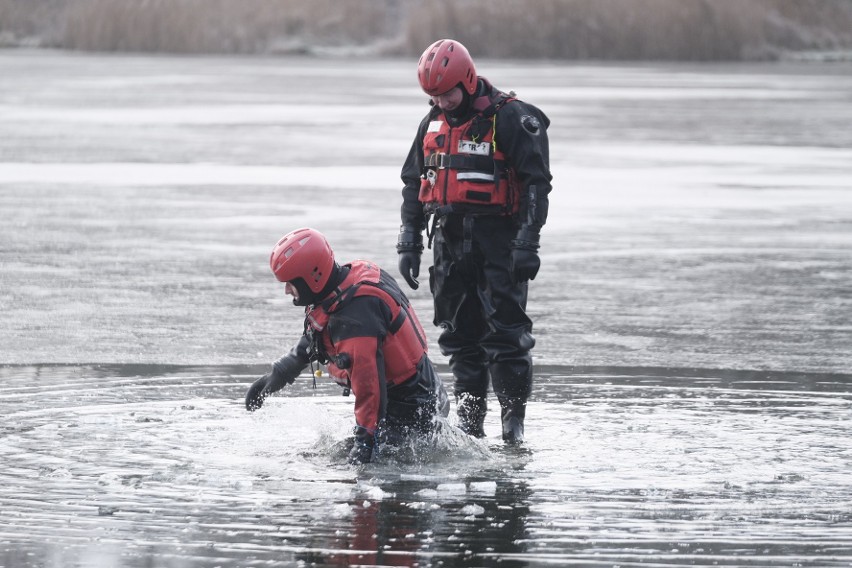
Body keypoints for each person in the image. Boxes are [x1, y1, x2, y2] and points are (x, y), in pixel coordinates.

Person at [397, 38, 552, 444]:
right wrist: (409, 240)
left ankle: (512, 426)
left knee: (505, 335)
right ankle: (470, 423)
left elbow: (536, 183)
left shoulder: (512, 117)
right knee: (459, 337)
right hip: (448, 243)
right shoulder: (430, 123)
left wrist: (527, 242)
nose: (443, 102)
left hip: (498, 241)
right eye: (434, 95)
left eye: (448, 93)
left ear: (466, 80)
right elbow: (414, 182)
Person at [246, 227, 449, 464]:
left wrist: (365, 441)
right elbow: (322, 329)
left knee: (363, 468)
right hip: (422, 393)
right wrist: (282, 371)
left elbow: (368, 385)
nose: (286, 290)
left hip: (414, 411)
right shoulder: (349, 281)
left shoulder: (357, 316)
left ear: (312, 277)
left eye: (291, 283)